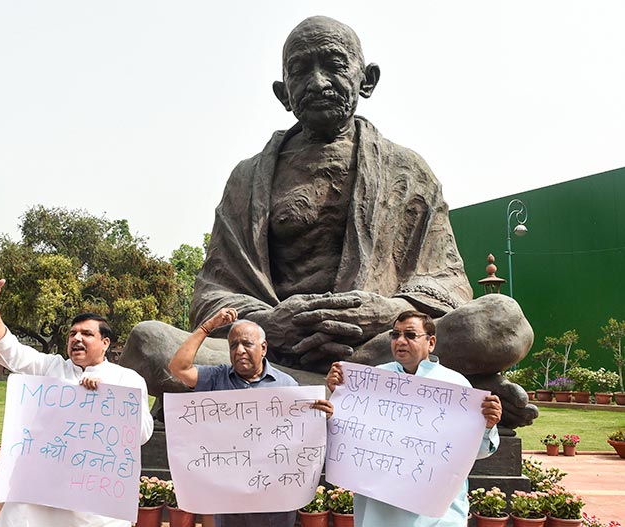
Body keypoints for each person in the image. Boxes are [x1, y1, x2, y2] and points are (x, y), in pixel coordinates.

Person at [120, 15, 535, 429]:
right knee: (148, 343)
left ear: (366, 79)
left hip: (379, 347)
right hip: (272, 350)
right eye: (300, 71)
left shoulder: (408, 172)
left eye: (334, 65)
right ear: (283, 93)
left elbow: (448, 286)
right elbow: (212, 293)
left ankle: (300, 392)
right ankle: (392, 391)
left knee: (501, 320)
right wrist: (271, 323)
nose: (317, 83)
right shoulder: (248, 179)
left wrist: (390, 312)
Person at [0, 270, 154, 527]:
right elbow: (10, 351)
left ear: (105, 343)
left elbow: (141, 435)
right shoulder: (50, 368)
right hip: (39, 492)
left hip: (93, 497)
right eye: (72, 334)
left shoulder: (126, 380)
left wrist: (104, 399)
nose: (76, 339)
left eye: (86, 334)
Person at [326, 310, 502, 527]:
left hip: (437, 511)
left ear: (431, 342)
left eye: (410, 335)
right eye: (395, 335)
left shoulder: (457, 386)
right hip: (381, 506)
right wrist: (341, 397)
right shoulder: (373, 380)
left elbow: (475, 452)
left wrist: (488, 426)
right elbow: (350, 437)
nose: (400, 341)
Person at [168, 307, 333, 527]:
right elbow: (178, 367)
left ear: (263, 348)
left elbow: (299, 440)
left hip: (273, 505)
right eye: (233, 345)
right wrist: (209, 326)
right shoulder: (215, 378)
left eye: (247, 343)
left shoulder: (286, 386)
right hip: (228, 504)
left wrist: (322, 417)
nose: (239, 351)